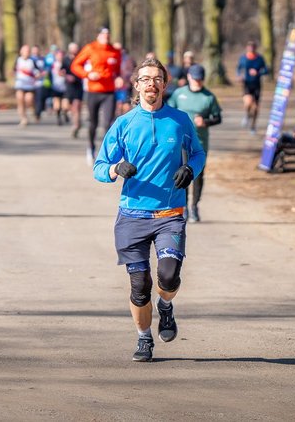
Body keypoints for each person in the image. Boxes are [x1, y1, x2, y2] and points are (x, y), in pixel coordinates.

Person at [94, 57, 206, 362]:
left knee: (168, 277)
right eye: (145, 79)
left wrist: (190, 168)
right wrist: (117, 167)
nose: (151, 84)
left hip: (170, 214)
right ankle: (144, 339)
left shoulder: (179, 120)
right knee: (139, 286)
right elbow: (99, 167)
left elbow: (198, 153)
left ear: (165, 85)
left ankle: (166, 305)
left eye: (157, 79)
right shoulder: (124, 123)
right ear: (136, 85)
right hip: (132, 215)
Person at [167, 64, 222, 222]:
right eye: (195, 78)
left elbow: (218, 117)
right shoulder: (179, 94)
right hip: (181, 143)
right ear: (189, 77)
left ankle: (195, 207)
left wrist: (205, 121)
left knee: (198, 176)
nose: (197, 81)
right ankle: (182, 207)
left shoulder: (209, 97)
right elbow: (169, 112)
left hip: (200, 143)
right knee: (182, 174)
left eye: (200, 79)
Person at [70, 27, 122, 166]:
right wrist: (88, 74)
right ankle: (91, 148)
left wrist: (118, 78)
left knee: (108, 123)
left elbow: (117, 71)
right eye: (103, 34)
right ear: (98, 35)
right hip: (93, 91)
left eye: (108, 34)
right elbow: (75, 65)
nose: (106, 36)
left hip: (109, 92)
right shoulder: (90, 48)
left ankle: (105, 153)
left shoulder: (115, 51)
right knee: (93, 123)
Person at [236, 41, 269, 134]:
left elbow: (266, 70)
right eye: (249, 47)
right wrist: (239, 76)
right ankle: (246, 115)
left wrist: (258, 73)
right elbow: (238, 69)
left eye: (253, 47)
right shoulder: (243, 58)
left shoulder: (259, 58)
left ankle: (253, 126)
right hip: (247, 84)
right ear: (247, 48)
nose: (251, 49)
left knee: (256, 108)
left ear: (255, 48)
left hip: (257, 85)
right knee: (248, 102)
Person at [13, 44, 38, 126]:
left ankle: (32, 109)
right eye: (24, 51)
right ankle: (23, 119)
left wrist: (37, 75)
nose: (26, 53)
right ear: (21, 52)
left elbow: (37, 71)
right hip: (20, 85)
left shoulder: (32, 61)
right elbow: (14, 70)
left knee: (29, 100)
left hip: (29, 85)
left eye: (27, 51)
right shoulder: (18, 60)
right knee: (20, 101)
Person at [63, 42, 84, 136]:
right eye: (73, 48)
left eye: (76, 48)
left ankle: (76, 125)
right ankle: (72, 118)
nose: (75, 50)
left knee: (76, 106)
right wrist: (66, 76)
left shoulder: (81, 58)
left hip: (79, 85)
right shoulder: (65, 59)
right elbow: (61, 70)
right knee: (66, 106)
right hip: (68, 86)